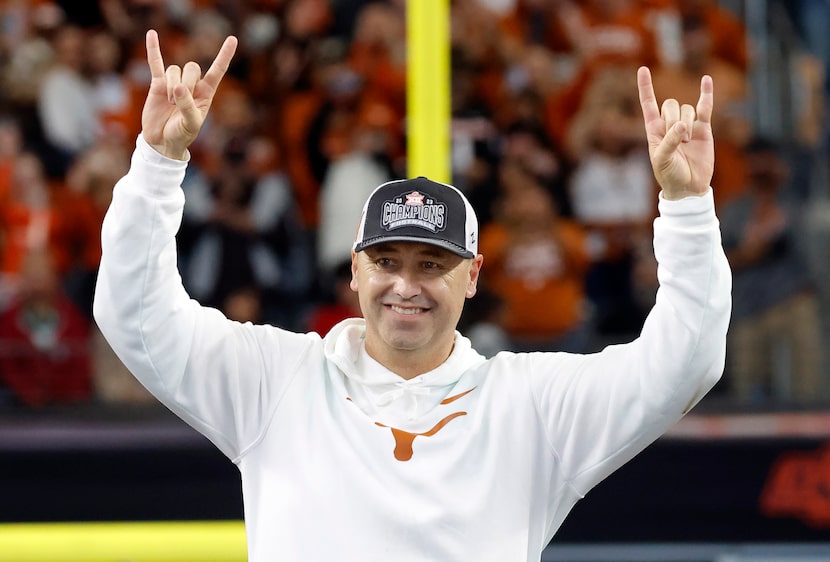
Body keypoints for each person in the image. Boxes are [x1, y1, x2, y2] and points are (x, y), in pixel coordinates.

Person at [94, 30, 731, 561]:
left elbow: (685, 360)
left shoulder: (531, 406)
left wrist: (687, 206)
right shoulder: (276, 380)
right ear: (354, 269)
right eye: (386, 261)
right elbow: (134, 313)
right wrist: (157, 160)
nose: (406, 285)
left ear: (474, 276)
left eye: (432, 264)